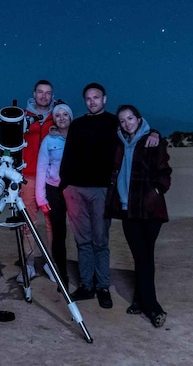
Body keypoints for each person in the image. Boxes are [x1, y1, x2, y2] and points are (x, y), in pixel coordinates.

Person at [59, 82, 159, 309]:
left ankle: (103, 285)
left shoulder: (116, 122)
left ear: (104, 99)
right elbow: (69, 155)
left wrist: (155, 132)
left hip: (102, 190)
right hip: (75, 190)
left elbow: (138, 130)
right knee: (82, 240)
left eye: (96, 97)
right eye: (88, 98)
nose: (92, 101)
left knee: (100, 240)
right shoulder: (78, 124)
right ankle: (86, 284)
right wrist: (65, 184)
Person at [105, 105, 171, 328]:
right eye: (122, 121)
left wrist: (156, 192)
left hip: (150, 211)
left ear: (139, 119)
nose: (127, 123)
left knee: (144, 256)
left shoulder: (152, 141)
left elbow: (164, 173)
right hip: (128, 210)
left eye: (130, 118)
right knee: (142, 256)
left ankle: (150, 306)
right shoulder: (119, 144)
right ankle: (142, 300)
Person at [19, 79, 56, 280]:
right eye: (40, 92)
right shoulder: (23, 116)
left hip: (51, 178)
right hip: (29, 176)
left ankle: (50, 263)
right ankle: (29, 263)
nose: (44, 96)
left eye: (48, 93)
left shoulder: (58, 116)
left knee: (51, 223)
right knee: (29, 223)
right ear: (34, 94)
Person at [35, 101, 73, 288]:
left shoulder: (78, 137)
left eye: (65, 114)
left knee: (82, 233)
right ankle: (62, 276)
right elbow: (42, 168)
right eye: (57, 115)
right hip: (54, 190)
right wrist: (40, 197)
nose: (61, 118)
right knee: (59, 233)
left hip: (73, 190)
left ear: (70, 116)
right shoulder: (49, 140)